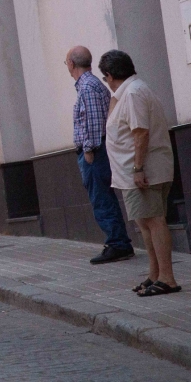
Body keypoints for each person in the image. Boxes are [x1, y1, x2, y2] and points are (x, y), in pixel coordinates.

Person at [98, 50, 181, 296]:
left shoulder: (133, 94)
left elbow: (140, 133)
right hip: (136, 171)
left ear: (110, 75)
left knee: (154, 222)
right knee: (145, 223)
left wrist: (137, 168)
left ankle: (167, 277)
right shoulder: (129, 92)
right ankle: (155, 274)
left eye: (105, 78)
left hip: (142, 172)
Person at [65, 46, 134, 264]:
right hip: (98, 149)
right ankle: (118, 242)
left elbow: (94, 122)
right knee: (103, 198)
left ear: (71, 64)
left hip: (95, 152)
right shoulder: (90, 84)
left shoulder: (87, 87)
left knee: (101, 198)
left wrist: (89, 150)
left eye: (65, 62)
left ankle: (118, 244)